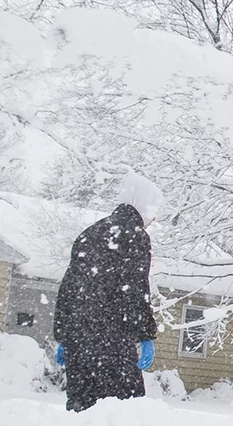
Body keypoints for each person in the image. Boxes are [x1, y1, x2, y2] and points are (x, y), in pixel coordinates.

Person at [53, 173, 165, 413]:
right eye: (152, 212)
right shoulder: (135, 236)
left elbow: (68, 288)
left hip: (79, 342)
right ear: (143, 207)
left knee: (81, 411)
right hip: (112, 343)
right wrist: (145, 334)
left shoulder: (89, 233)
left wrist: (63, 335)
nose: (153, 220)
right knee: (123, 415)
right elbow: (135, 290)